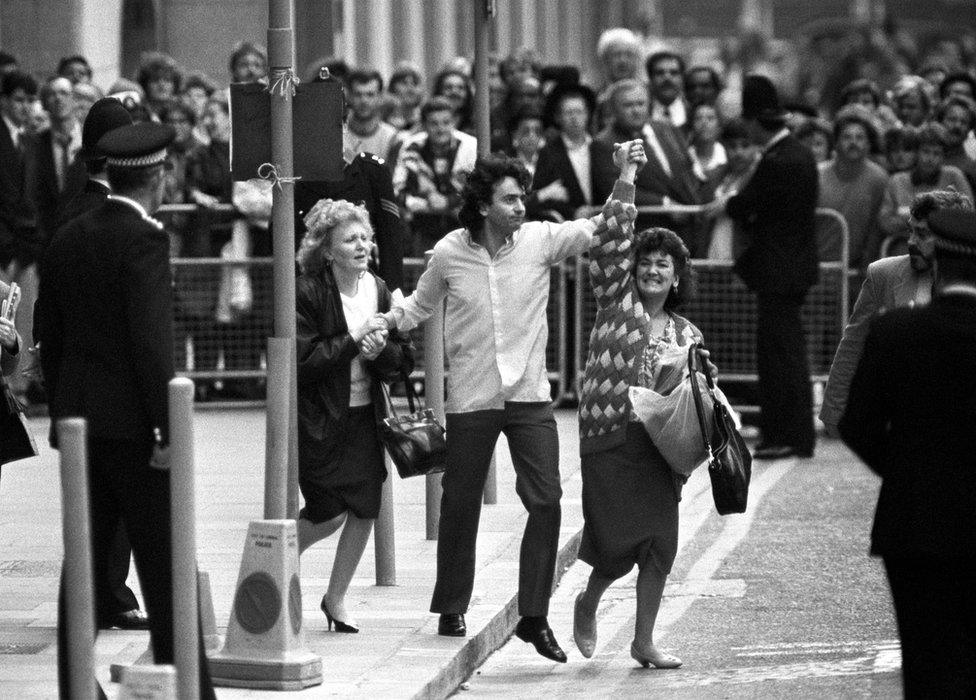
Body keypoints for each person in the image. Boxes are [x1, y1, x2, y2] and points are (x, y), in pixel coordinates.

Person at [376, 141, 645, 662]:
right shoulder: (450, 252)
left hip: (528, 396)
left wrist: (627, 174)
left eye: (522, 197)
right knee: (459, 502)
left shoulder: (541, 240)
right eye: (510, 200)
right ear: (483, 206)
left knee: (546, 500)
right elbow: (417, 308)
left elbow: (603, 228)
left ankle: (534, 615)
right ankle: (451, 603)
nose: (521, 207)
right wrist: (381, 322)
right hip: (473, 397)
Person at [37, 121, 216, 699]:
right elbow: (149, 341)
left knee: (84, 564)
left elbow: (53, 334)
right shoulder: (145, 238)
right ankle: (191, 684)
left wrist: (66, 411)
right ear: (158, 176)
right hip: (137, 429)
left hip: (81, 423)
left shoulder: (68, 236)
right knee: (165, 563)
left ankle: (73, 684)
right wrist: (166, 425)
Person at [838, 207, 976, 699]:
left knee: (927, 664)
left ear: (937, 266)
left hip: (914, 522)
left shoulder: (896, 332)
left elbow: (855, 423)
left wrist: (906, 469)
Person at [574, 193, 706, 668]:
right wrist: (626, 182)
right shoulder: (616, 303)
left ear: (676, 278)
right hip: (609, 439)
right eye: (645, 262)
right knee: (614, 545)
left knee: (660, 545)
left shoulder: (688, 334)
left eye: (663, 265)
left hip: (659, 451)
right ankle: (588, 600)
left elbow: (697, 396)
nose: (653, 270)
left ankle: (643, 641)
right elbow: (608, 244)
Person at [295, 198, 413, 633]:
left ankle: (336, 597)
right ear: (327, 250)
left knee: (365, 507)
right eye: (350, 239)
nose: (362, 245)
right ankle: (280, 554)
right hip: (321, 418)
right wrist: (352, 339)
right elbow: (301, 361)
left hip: (367, 417)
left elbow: (404, 359)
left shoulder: (379, 289)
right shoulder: (308, 290)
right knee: (327, 511)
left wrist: (383, 352)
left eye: (365, 237)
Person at [717, 74, 819, 460]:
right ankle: (793, 433)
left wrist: (726, 203)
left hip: (780, 271)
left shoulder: (779, 161)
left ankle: (786, 434)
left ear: (759, 123)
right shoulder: (795, 154)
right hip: (788, 270)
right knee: (785, 353)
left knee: (781, 357)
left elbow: (748, 202)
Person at [820, 189, 973, 436]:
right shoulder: (884, 274)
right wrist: (835, 411)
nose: (911, 241)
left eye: (922, 234)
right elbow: (853, 345)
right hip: (909, 424)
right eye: (910, 230)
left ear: (949, 238)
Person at [530, 82, 617, 222]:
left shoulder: (601, 148)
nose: (574, 118)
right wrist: (573, 212)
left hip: (602, 221)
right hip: (567, 223)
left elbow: (611, 186)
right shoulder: (549, 152)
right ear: (558, 118)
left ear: (588, 115)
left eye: (579, 112)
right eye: (568, 112)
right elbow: (543, 194)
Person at [817, 105, 889, 271]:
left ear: (869, 143)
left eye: (859, 137)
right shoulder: (817, 175)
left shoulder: (879, 179)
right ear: (836, 142)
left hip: (856, 269)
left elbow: (876, 229)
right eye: (847, 137)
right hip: (819, 266)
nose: (853, 143)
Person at [879, 124, 973, 242]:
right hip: (903, 246)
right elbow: (885, 223)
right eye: (926, 151)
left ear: (944, 157)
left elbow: (968, 217)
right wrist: (932, 218)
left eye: (936, 153)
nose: (930, 158)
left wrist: (909, 216)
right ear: (916, 152)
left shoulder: (954, 176)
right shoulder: (897, 180)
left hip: (944, 247)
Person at [646, 50, 688, 128]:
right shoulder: (642, 113)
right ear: (650, 78)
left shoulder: (692, 113)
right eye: (659, 73)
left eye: (674, 73)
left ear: (682, 78)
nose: (667, 78)